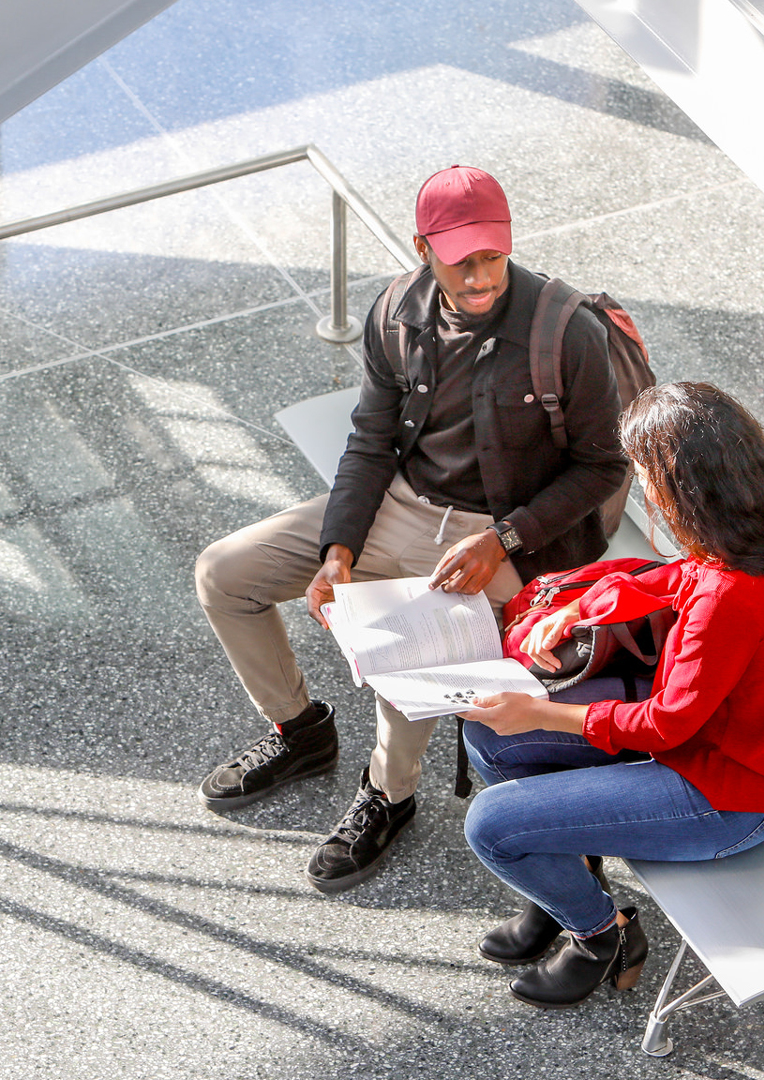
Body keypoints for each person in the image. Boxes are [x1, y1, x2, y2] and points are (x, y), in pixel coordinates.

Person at [193, 165, 628, 893]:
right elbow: (370, 441)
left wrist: (502, 540)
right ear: (424, 246)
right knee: (223, 574)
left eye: (493, 254)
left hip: (506, 532)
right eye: (462, 260)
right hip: (402, 500)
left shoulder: (565, 332)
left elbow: (603, 468)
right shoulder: (396, 311)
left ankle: (388, 796)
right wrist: (337, 552)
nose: (481, 275)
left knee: (408, 646)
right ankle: (299, 731)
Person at [458, 381, 764, 1008]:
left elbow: (665, 728)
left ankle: (600, 934)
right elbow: (678, 578)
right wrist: (582, 605)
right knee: (489, 737)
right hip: (721, 754)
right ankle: (565, 883)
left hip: (729, 799)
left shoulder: (730, 598)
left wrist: (539, 711)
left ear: (682, 488)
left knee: (490, 825)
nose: (645, 492)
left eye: (646, 475)